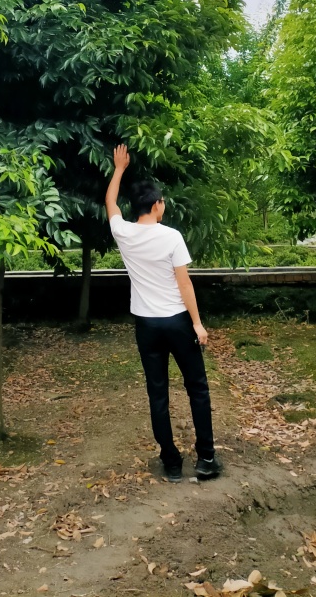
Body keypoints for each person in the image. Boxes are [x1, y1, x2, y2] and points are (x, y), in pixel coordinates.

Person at [105, 144, 221, 482]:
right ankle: (206, 459)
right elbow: (185, 285)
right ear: (156, 205)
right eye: (163, 201)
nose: (164, 205)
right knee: (197, 387)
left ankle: (171, 462)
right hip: (177, 323)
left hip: (146, 326)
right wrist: (197, 324)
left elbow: (111, 203)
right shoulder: (171, 237)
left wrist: (119, 168)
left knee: (158, 392)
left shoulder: (124, 232)